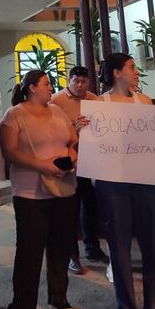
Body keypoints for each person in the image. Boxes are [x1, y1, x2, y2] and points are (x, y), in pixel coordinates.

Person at [91, 53, 155, 309]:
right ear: (116, 72)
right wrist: (81, 128)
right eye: (132, 68)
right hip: (113, 185)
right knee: (119, 246)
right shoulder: (99, 104)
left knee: (152, 244)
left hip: (146, 182)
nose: (137, 72)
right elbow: (92, 144)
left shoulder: (144, 101)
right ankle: (126, 306)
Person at [0, 70, 79, 309]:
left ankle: (59, 299)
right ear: (32, 87)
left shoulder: (57, 110)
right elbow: (10, 152)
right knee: (29, 253)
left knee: (60, 247)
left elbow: (73, 140)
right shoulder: (14, 115)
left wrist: (71, 158)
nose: (50, 87)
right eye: (46, 84)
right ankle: (23, 306)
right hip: (30, 194)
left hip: (63, 189)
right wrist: (42, 166)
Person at [50, 65, 106, 275]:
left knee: (90, 207)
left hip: (91, 161)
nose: (80, 85)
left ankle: (92, 249)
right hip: (68, 161)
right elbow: (51, 131)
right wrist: (72, 129)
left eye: (84, 81)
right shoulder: (56, 101)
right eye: (76, 81)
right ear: (69, 80)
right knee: (70, 210)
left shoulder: (95, 100)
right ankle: (72, 255)